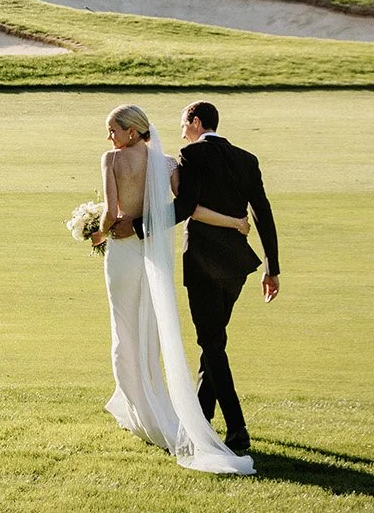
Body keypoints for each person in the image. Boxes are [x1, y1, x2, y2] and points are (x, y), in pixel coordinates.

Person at [90, 104, 256, 475]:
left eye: (113, 130)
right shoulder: (166, 164)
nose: (109, 137)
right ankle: (151, 403)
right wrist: (233, 221)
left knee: (124, 329)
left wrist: (97, 232)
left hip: (122, 251)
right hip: (150, 252)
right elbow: (185, 206)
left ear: (132, 131)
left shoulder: (111, 160)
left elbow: (111, 212)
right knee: (150, 328)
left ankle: (137, 408)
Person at [172, 100, 280, 456]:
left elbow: (185, 206)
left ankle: (237, 428)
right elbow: (262, 213)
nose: (182, 133)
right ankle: (201, 418)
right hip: (236, 265)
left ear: (196, 121)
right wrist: (272, 268)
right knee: (213, 341)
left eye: (184, 125)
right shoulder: (246, 159)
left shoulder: (191, 155)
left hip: (203, 262)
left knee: (211, 342)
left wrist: (139, 228)